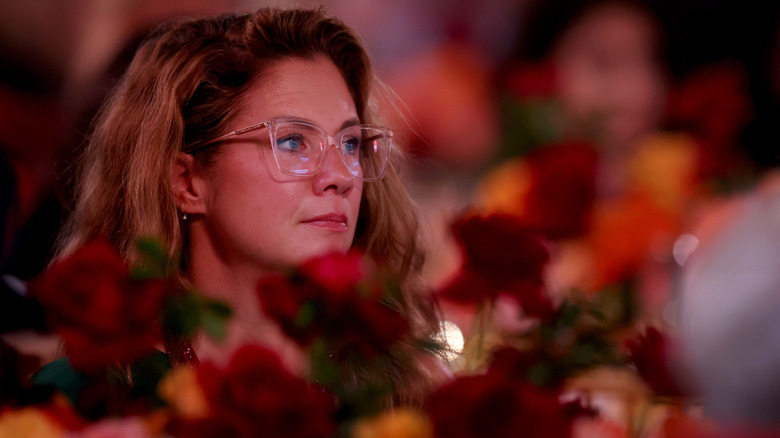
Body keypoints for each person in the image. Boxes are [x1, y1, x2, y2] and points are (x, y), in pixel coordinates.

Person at [46, 7, 442, 408]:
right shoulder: (88, 400)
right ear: (186, 182)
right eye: (292, 141)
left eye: (351, 144)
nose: (341, 176)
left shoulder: (404, 395)